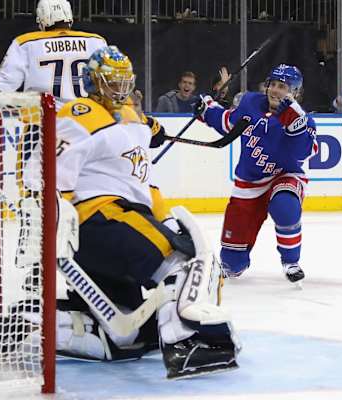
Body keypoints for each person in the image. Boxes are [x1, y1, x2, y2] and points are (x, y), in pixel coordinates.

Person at [21, 46, 240, 379]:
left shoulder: (129, 115)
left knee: (128, 336)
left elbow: (142, 152)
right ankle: (186, 341)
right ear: (92, 83)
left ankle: (34, 323)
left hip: (112, 229)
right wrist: (55, 219)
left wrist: (151, 129)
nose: (120, 88)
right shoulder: (79, 114)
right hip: (100, 220)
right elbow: (41, 171)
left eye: (124, 80)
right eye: (111, 81)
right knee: (181, 261)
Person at [194, 64, 318, 285]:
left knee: (285, 205)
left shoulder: (301, 119)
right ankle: (234, 261)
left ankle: (291, 262)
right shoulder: (250, 102)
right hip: (249, 183)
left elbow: (304, 154)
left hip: (284, 175)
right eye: (273, 84)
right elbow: (228, 123)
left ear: (295, 92)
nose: (276, 90)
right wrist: (206, 110)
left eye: (283, 87)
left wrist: (296, 129)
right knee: (232, 265)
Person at [0, 0, 107, 110]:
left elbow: (4, 82)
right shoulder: (96, 41)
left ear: (42, 19)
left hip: (42, 121)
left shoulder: (26, 42)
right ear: (69, 17)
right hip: (85, 119)